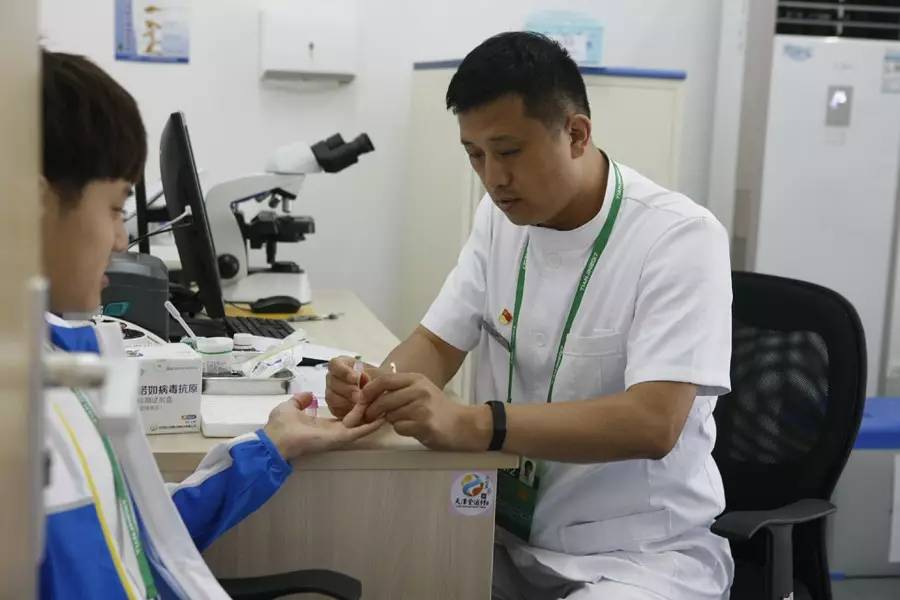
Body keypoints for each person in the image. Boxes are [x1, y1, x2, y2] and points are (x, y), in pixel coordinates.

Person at [326, 32, 733, 600]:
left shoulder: (679, 238)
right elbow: (436, 344)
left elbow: (654, 423)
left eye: (509, 151)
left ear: (576, 134)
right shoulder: (500, 219)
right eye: (475, 155)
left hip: (635, 556)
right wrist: (373, 387)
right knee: (358, 569)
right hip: (498, 536)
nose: (493, 177)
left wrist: (474, 424)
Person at [39, 49, 383, 599]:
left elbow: (142, 537)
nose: (122, 241)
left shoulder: (66, 363)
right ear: (32, 204)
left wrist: (271, 446)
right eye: (114, 208)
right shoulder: (31, 413)